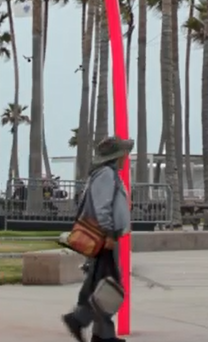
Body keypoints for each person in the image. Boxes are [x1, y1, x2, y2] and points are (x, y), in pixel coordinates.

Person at [63, 136, 133, 342]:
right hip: (103, 238)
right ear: (117, 156)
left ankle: (101, 334)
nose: (126, 158)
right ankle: (79, 320)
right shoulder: (106, 175)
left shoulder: (106, 174)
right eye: (124, 153)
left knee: (99, 285)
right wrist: (109, 233)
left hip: (103, 237)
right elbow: (103, 207)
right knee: (108, 287)